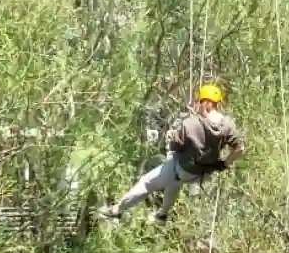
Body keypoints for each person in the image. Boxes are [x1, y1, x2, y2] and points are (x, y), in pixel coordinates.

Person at [98, 83, 245, 222]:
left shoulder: (191, 123)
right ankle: (162, 215)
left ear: (201, 102)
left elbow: (175, 145)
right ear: (217, 104)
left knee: (146, 183)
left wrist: (181, 129)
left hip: (183, 169)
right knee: (173, 182)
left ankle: (116, 210)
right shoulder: (227, 125)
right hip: (203, 173)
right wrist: (225, 163)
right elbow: (240, 149)